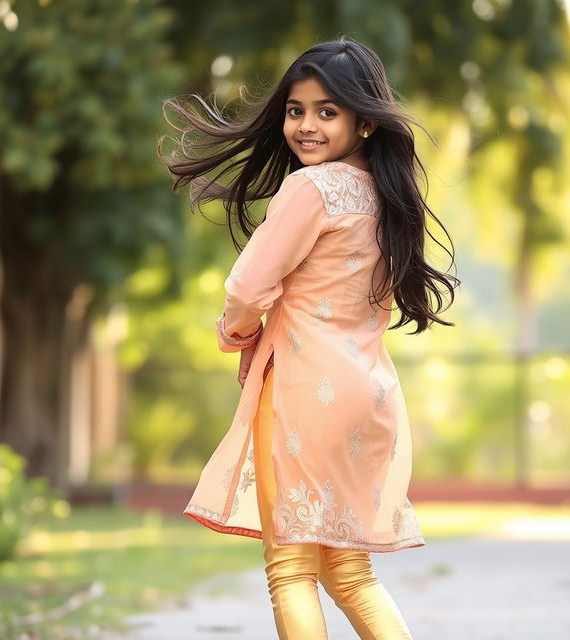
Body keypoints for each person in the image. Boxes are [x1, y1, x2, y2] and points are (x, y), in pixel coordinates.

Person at [159, 36, 459, 640]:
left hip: (303, 389)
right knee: (350, 572)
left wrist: (236, 333)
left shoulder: (311, 188)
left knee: (290, 568)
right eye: (296, 110)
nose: (306, 126)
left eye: (328, 112)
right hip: (367, 392)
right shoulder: (388, 196)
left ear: (365, 122)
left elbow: (247, 289)